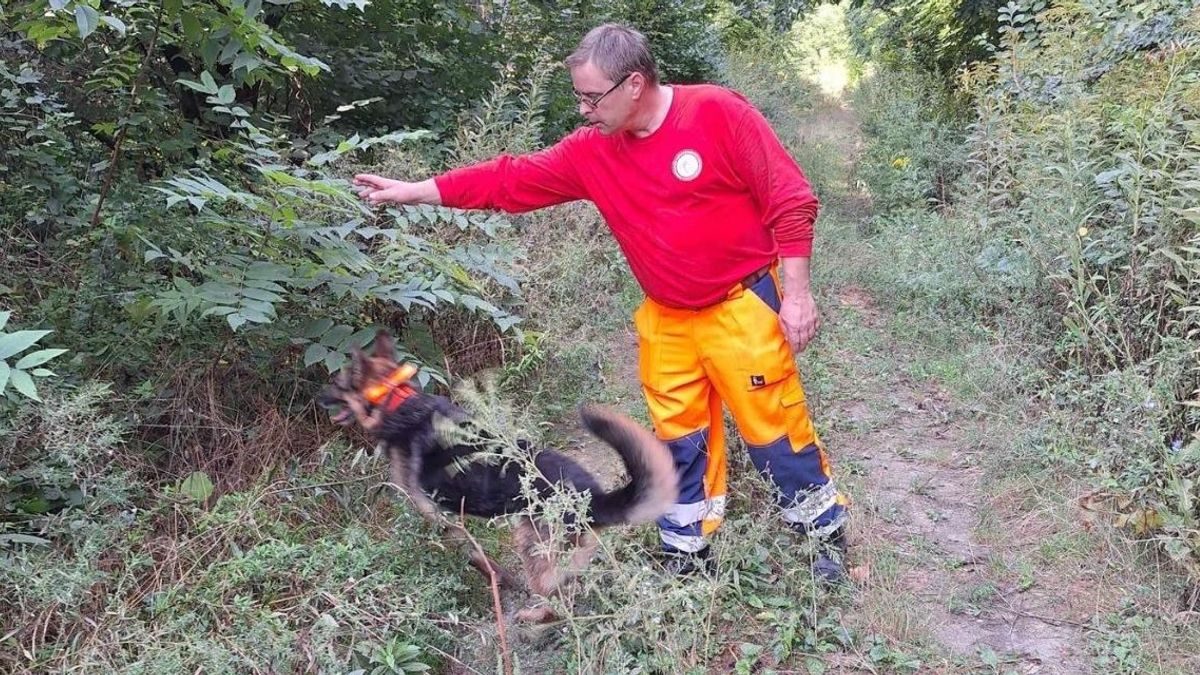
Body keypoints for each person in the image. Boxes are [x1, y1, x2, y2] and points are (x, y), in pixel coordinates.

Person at [353, 23, 850, 582]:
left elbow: (790, 198)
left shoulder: (716, 113)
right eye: (578, 97)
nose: (584, 110)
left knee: (773, 432)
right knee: (679, 440)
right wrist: (415, 190)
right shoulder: (593, 152)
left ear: (634, 84)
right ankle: (687, 555)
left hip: (742, 307)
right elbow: (511, 180)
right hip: (666, 318)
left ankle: (822, 539)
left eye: (592, 97)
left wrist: (799, 294)